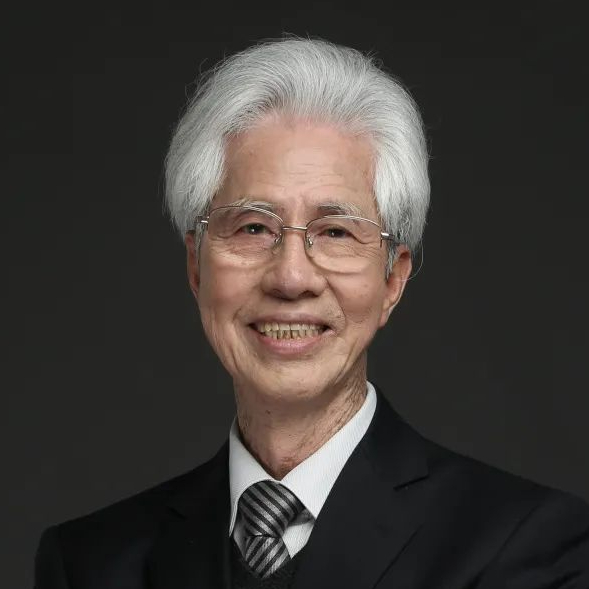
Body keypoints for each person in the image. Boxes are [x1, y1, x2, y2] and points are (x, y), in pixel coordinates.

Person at [34, 37, 589, 589]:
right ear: (196, 266)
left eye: (335, 232)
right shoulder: (89, 565)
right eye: (253, 227)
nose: (291, 277)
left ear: (392, 280)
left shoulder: (535, 551)